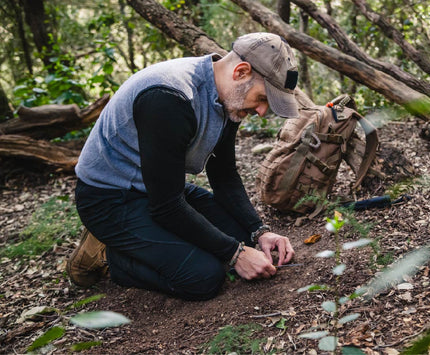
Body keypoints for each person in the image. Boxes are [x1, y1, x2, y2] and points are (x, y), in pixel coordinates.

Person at [66, 33, 298, 301]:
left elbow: (223, 174)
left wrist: (260, 232)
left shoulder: (230, 97)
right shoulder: (169, 97)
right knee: (203, 277)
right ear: (241, 72)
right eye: (263, 98)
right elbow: (167, 207)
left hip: (155, 189)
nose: (261, 111)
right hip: (109, 200)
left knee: (244, 238)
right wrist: (236, 254)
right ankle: (110, 255)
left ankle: (149, 242)